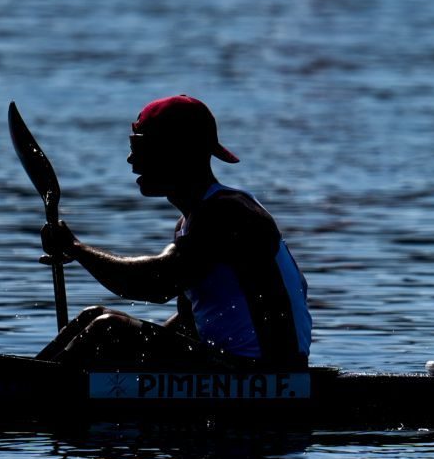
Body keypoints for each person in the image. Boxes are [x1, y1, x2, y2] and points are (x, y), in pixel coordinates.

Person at [36, 94, 311, 369]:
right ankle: (30, 379)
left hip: (270, 376)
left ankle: (24, 393)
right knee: (93, 316)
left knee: (108, 329)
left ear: (178, 151)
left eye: (139, 145)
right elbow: (187, 324)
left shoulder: (227, 214)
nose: (131, 159)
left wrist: (75, 248)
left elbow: (156, 284)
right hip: (239, 368)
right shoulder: (192, 221)